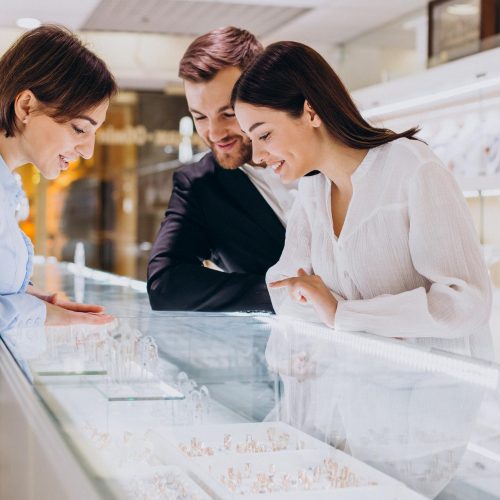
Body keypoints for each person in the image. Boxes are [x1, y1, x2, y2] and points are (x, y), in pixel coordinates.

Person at [232, 41, 492, 360]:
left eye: (264, 135)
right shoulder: (312, 192)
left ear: (310, 112)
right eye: (251, 140)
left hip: (431, 398)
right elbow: (284, 291)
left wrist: (342, 313)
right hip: (355, 393)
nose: (257, 156)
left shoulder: (411, 167)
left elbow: (465, 303)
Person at [147, 27, 297, 312]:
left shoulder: (322, 156)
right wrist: (286, 296)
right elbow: (165, 284)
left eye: (228, 113)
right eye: (200, 117)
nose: (214, 133)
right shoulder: (200, 185)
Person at [0, 25, 117, 332]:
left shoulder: (8, 187)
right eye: (80, 129)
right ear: (26, 106)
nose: (88, 151)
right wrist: (43, 314)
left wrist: (36, 297)